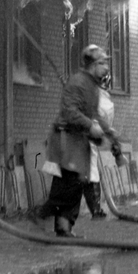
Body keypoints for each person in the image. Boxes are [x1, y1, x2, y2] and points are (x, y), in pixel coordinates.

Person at [37, 45, 111, 237]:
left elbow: (92, 113)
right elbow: (70, 112)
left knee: (74, 184)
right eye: (102, 63)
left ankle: (63, 228)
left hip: (77, 140)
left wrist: (108, 130)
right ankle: (43, 214)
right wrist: (91, 125)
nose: (106, 67)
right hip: (66, 140)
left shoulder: (91, 85)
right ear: (92, 65)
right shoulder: (78, 83)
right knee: (69, 184)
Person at [82, 69, 120, 219]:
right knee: (90, 172)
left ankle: (95, 209)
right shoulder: (102, 100)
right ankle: (95, 210)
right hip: (85, 138)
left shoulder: (94, 96)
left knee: (87, 172)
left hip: (86, 137)